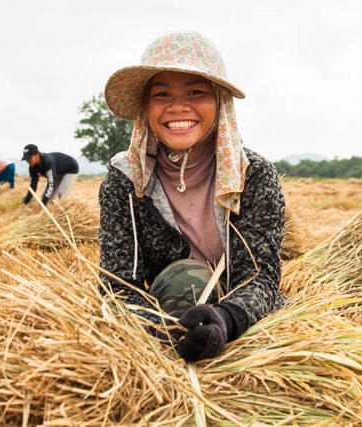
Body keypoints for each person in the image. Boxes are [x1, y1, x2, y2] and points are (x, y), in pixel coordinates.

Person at [97, 31, 286, 362]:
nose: (178, 107)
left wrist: (224, 321)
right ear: (145, 105)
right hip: (163, 313)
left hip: (239, 319)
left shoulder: (253, 176)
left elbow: (261, 279)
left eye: (196, 92)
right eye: (161, 94)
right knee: (188, 277)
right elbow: (117, 286)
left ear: (219, 102)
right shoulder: (124, 181)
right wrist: (163, 329)